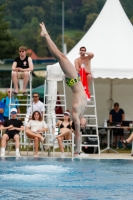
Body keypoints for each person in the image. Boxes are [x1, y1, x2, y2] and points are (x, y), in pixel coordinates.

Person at [39, 22, 87, 155]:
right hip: (75, 80)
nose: (85, 124)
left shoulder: (76, 115)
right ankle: (45, 34)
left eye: (83, 125)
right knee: (59, 56)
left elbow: (77, 134)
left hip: (74, 80)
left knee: (60, 56)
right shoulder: (82, 111)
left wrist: (77, 150)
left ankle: (46, 34)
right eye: (85, 124)